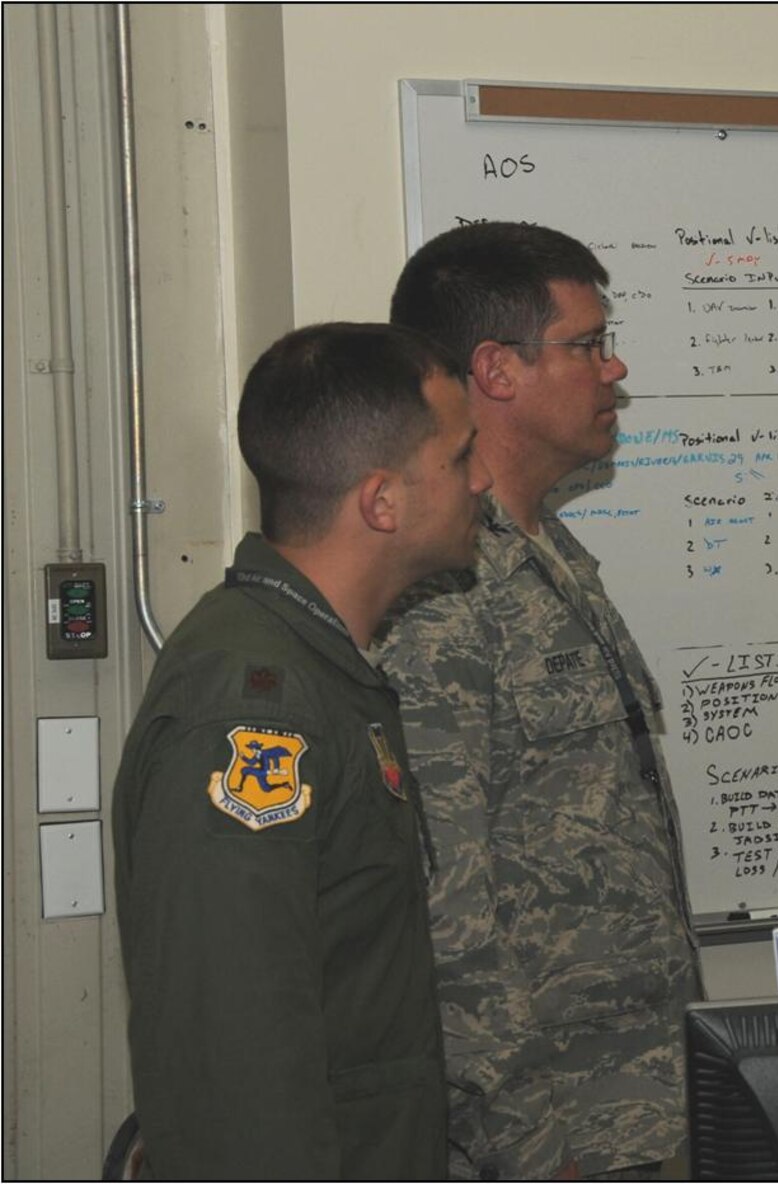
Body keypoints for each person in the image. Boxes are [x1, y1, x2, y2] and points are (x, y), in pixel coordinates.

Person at [112, 322, 491, 1177]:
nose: (485, 479)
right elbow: (231, 1056)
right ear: (381, 502)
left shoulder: (317, 668)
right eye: (462, 457)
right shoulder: (254, 708)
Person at [376, 222, 702, 1179]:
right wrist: (527, 1149)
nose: (614, 368)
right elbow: (442, 911)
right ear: (498, 370)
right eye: (588, 344)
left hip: (639, 1108)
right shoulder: (439, 595)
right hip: (550, 1134)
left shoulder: (548, 552)